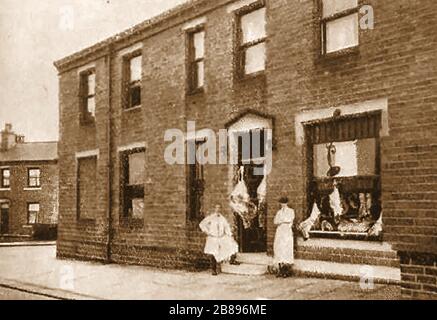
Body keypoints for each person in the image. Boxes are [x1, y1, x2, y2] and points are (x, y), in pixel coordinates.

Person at [199, 205, 239, 275]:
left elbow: (226, 227)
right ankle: (213, 270)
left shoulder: (222, 218)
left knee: (232, 245)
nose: (218, 209)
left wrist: (230, 235)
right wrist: (207, 232)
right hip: (213, 238)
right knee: (213, 253)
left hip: (220, 237)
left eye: (219, 208)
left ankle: (231, 260)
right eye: (216, 208)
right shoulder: (211, 218)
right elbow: (202, 224)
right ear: (214, 209)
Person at [273, 197, 295, 278]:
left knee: (286, 249)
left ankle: (286, 270)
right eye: (281, 203)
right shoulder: (279, 212)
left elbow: (290, 219)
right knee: (279, 248)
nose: (283, 205)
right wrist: (282, 221)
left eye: (284, 203)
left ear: (287, 203)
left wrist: (282, 220)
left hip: (286, 231)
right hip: (280, 231)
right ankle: (280, 270)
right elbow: (275, 221)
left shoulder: (291, 211)